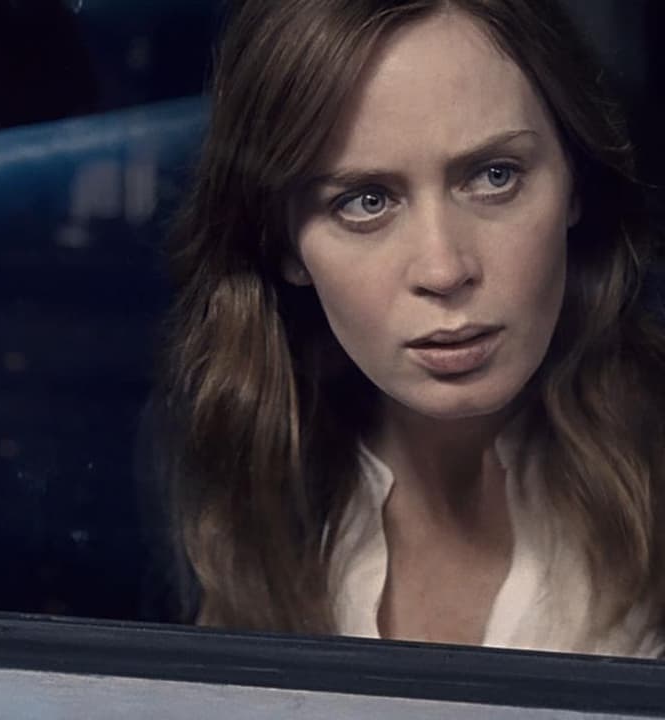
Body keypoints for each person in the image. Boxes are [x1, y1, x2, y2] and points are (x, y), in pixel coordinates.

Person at [158, 0, 665, 657]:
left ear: (575, 184)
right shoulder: (255, 489)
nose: (444, 269)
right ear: (283, 243)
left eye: (495, 176)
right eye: (365, 201)